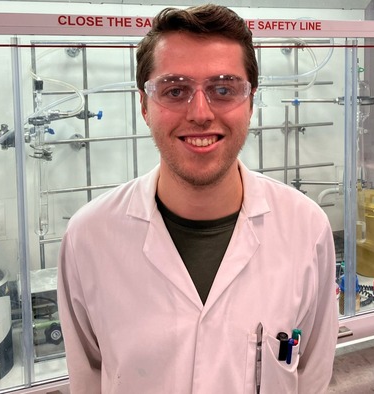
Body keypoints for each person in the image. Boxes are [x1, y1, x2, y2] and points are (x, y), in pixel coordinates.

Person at [57, 4, 338, 394]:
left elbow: (312, 374)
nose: (201, 113)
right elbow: (87, 378)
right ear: (144, 105)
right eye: (175, 90)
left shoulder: (306, 229)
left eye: (224, 89)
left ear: (251, 102)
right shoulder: (89, 237)